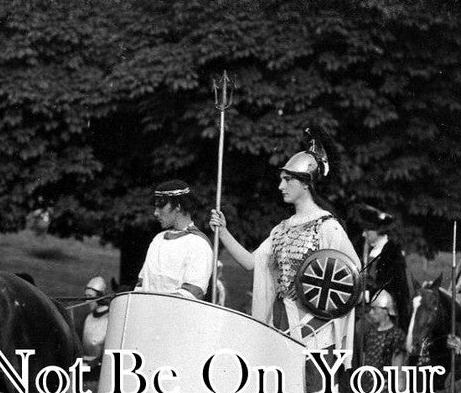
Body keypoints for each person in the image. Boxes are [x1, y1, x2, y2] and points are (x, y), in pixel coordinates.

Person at [209, 136, 360, 351]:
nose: (281, 186)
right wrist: (223, 232)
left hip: (316, 327)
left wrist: (313, 295)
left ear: (306, 183)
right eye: (281, 179)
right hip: (283, 319)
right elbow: (252, 263)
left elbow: (353, 277)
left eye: (288, 180)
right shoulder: (281, 229)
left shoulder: (327, 226)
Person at [136, 180, 213, 299]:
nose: (156, 213)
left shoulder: (199, 244)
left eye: (161, 206)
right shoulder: (158, 239)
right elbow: (142, 285)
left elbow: (191, 295)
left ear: (178, 207)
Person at [358, 205, 412, 327]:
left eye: (367, 231)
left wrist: (366, 295)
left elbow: (392, 284)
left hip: (384, 311)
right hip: (364, 306)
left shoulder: (392, 251)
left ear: (378, 231)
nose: (363, 235)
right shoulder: (370, 250)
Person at [80, 276, 110, 373]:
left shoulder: (110, 319)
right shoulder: (87, 318)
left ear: (100, 297)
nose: (86, 301)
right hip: (85, 368)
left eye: (90, 297)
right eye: (86, 296)